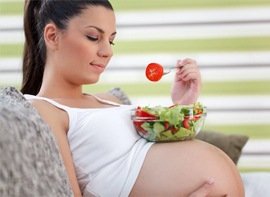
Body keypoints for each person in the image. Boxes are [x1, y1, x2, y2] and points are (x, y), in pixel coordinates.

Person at [21, 0, 244, 196]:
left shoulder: (110, 99)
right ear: (52, 36)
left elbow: (148, 159)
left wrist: (182, 103)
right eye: (93, 37)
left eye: (111, 40)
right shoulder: (43, 109)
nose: (107, 51)